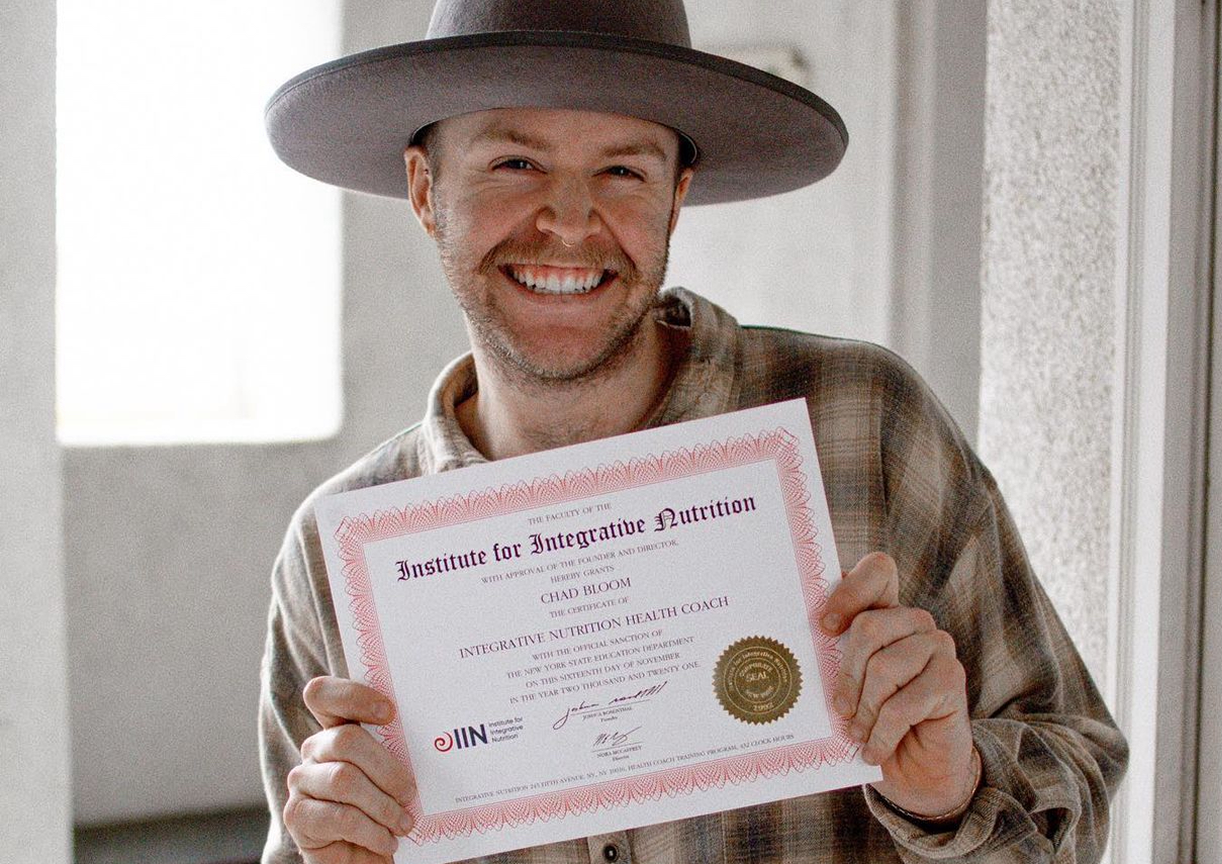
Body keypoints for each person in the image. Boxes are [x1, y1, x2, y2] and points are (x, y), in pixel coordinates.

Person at [259, 1, 1128, 862]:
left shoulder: (868, 427)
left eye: (623, 172)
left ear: (676, 200)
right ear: (425, 189)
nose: (567, 221)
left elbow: (1081, 779)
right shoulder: (336, 559)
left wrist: (955, 790)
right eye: (515, 162)